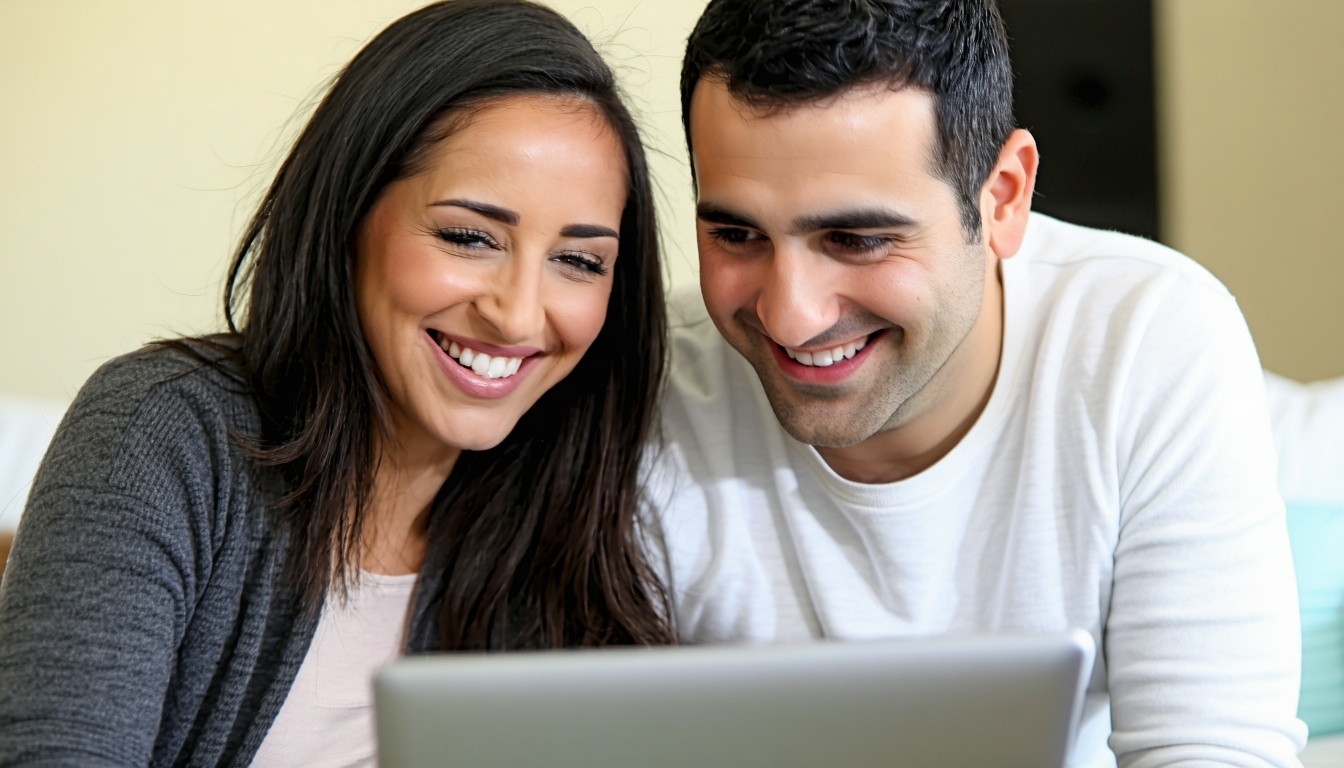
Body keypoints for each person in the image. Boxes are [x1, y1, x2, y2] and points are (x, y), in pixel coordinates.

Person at [0, 1, 675, 765]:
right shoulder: (160, 434)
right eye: (468, 237)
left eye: (579, 261)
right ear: (350, 214)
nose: (518, 316)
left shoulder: (561, 531)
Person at [646, 0, 1306, 765]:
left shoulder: (1148, 338)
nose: (790, 316)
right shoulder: (653, 378)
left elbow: (1212, 747)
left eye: (857, 239)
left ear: (1002, 198)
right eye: (736, 234)